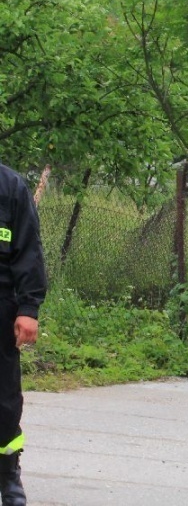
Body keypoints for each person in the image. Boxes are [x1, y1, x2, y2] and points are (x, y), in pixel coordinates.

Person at [0, 161, 47, 506]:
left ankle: (8, 478)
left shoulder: (11, 187)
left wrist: (29, 309)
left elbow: (29, 252)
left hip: (1, 306)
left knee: (3, 401)